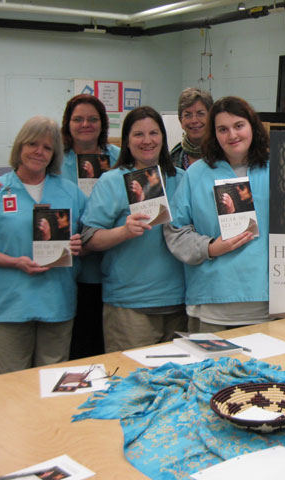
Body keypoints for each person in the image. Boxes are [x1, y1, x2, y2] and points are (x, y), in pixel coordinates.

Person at [0, 95, 121, 359]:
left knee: (86, 355)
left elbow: (91, 229)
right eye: (78, 119)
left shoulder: (118, 160)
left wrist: (84, 241)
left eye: (92, 119)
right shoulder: (12, 184)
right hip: (65, 277)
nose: (85, 124)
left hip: (106, 270)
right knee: (70, 350)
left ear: (103, 123)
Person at [0, 116, 84, 375]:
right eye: (32, 144)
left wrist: (81, 243)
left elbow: (91, 235)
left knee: (53, 381)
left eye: (47, 147)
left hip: (56, 302)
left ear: (54, 154)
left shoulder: (70, 192)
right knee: (10, 384)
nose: (39, 152)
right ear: (20, 147)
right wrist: (15, 262)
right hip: (9, 305)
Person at [81, 106, 186, 352]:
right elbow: (88, 239)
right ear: (126, 141)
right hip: (130, 306)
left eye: (154, 133)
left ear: (163, 137)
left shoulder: (181, 179)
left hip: (179, 303)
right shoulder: (112, 181)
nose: (147, 141)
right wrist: (124, 231)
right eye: (138, 134)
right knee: (131, 383)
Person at [165, 96, 271, 333]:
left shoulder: (275, 168)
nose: (232, 135)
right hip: (212, 301)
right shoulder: (197, 174)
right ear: (214, 134)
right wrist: (210, 247)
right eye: (222, 129)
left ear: (253, 127)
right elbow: (175, 230)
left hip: (267, 303)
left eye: (239, 126)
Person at [170, 88, 214, 170]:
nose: (194, 121)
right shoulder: (172, 160)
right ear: (180, 120)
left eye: (200, 114)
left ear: (211, 118)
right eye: (188, 115)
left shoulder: (225, 155)